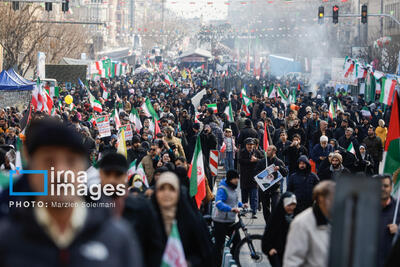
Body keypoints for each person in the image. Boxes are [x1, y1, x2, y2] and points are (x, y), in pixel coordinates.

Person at [0, 118, 143, 267]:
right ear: (31, 168)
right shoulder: (6, 239)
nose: (61, 172)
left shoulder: (119, 238)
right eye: (49, 161)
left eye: (70, 161)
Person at [152, 172, 213, 267]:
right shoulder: (148, 219)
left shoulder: (192, 220)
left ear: (178, 192)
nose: (166, 193)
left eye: (171, 189)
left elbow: (205, 254)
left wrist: (188, 263)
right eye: (162, 189)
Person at [283, 181, 336, 267]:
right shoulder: (301, 223)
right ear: (320, 199)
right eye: (331, 198)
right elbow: (292, 260)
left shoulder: (340, 220)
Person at [212, 170, 245, 266]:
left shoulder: (232, 188)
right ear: (230, 179)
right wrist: (231, 209)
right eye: (235, 178)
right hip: (220, 221)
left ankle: (234, 261)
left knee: (237, 242)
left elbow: (233, 201)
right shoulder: (223, 189)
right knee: (219, 244)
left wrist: (242, 205)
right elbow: (218, 203)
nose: (237, 180)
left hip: (230, 220)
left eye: (237, 178)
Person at [262, 192, 297, 267]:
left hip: (292, 255)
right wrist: (269, 249)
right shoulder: (276, 218)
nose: (291, 207)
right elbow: (266, 237)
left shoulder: (296, 217)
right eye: (289, 205)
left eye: (293, 205)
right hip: (277, 254)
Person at [256, 145, 289, 223]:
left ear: (274, 152)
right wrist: (263, 173)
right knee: (266, 208)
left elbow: (285, 173)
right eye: (267, 150)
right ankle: (268, 223)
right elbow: (256, 172)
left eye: (269, 150)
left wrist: (279, 168)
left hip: (275, 188)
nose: (267, 152)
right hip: (264, 189)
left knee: (275, 206)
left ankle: (274, 223)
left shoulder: (279, 161)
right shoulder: (262, 161)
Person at [376, 174, 400, 267]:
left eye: (385, 186)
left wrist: (398, 231)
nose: (382, 188)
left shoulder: (398, 209)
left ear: (391, 188)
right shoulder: (367, 207)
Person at [239, 138, 264, 218]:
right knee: (244, 195)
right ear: (246, 145)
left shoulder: (257, 152)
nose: (250, 146)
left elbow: (263, 160)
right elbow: (240, 161)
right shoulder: (242, 152)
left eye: (251, 145)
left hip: (254, 178)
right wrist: (250, 161)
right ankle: (244, 210)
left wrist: (256, 159)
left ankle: (254, 211)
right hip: (245, 177)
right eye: (248, 145)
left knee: (254, 196)